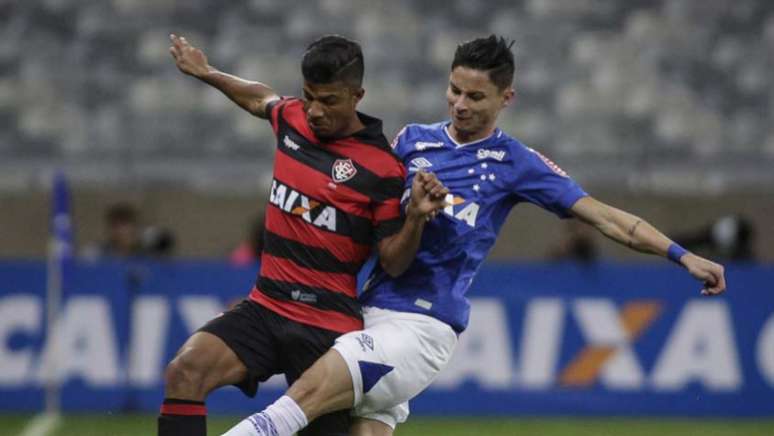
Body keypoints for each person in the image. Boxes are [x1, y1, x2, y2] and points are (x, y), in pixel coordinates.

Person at [222, 35, 727, 436]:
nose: (460, 104)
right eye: (454, 91)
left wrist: (682, 256)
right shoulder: (412, 141)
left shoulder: (516, 163)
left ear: (507, 98)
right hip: (365, 309)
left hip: (421, 327)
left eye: (475, 96)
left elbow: (605, 217)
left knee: (296, 405)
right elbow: (360, 213)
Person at [159, 34, 447, 436]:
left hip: (326, 326)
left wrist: (415, 218)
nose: (314, 111)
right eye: (309, 96)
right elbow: (261, 99)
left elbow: (393, 261)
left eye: (328, 101)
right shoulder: (293, 118)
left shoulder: (382, 168)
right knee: (185, 372)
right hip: (265, 306)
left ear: (356, 96)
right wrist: (208, 73)